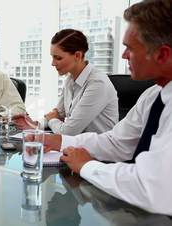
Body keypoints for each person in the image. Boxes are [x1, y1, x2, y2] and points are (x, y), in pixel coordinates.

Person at [40, 0, 172, 215]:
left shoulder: (99, 82)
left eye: (129, 48)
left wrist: (87, 166)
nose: (124, 56)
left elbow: (154, 188)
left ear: (162, 54)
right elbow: (116, 142)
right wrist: (59, 140)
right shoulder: (153, 95)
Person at [13, 29, 118, 135]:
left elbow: (67, 132)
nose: (53, 63)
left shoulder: (97, 83)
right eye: (52, 57)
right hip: (76, 146)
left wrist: (52, 120)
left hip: (96, 149)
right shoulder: (70, 79)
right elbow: (59, 113)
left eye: (58, 58)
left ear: (77, 56)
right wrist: (34, 124)